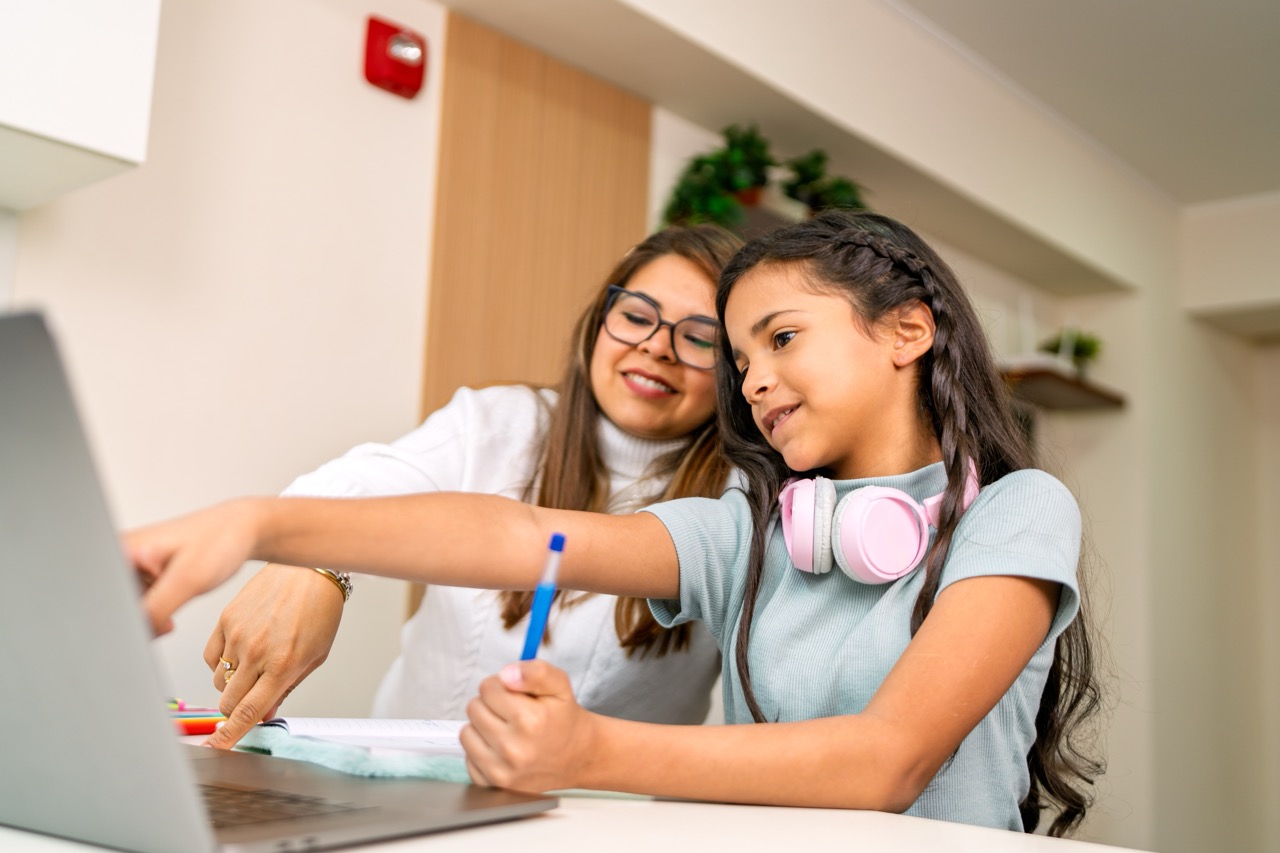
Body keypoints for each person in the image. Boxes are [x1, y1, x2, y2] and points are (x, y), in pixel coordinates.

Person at [129, 210, 1104, 836]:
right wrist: (264, 522)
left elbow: (885, 761)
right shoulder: (753, 526)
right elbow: (519, 535)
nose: (754, 378)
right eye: (742, 359)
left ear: (906, 329)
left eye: (781, 338)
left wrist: (591, 752)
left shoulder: (1019, 510)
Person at [200, 224, 743, 748]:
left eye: (698, 338)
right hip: (398, 787)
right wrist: (313, 567)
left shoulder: (741, 502)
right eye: (636, 316)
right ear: (599, 320)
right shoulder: (497, 423)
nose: (657, 347)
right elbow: (359, 484)